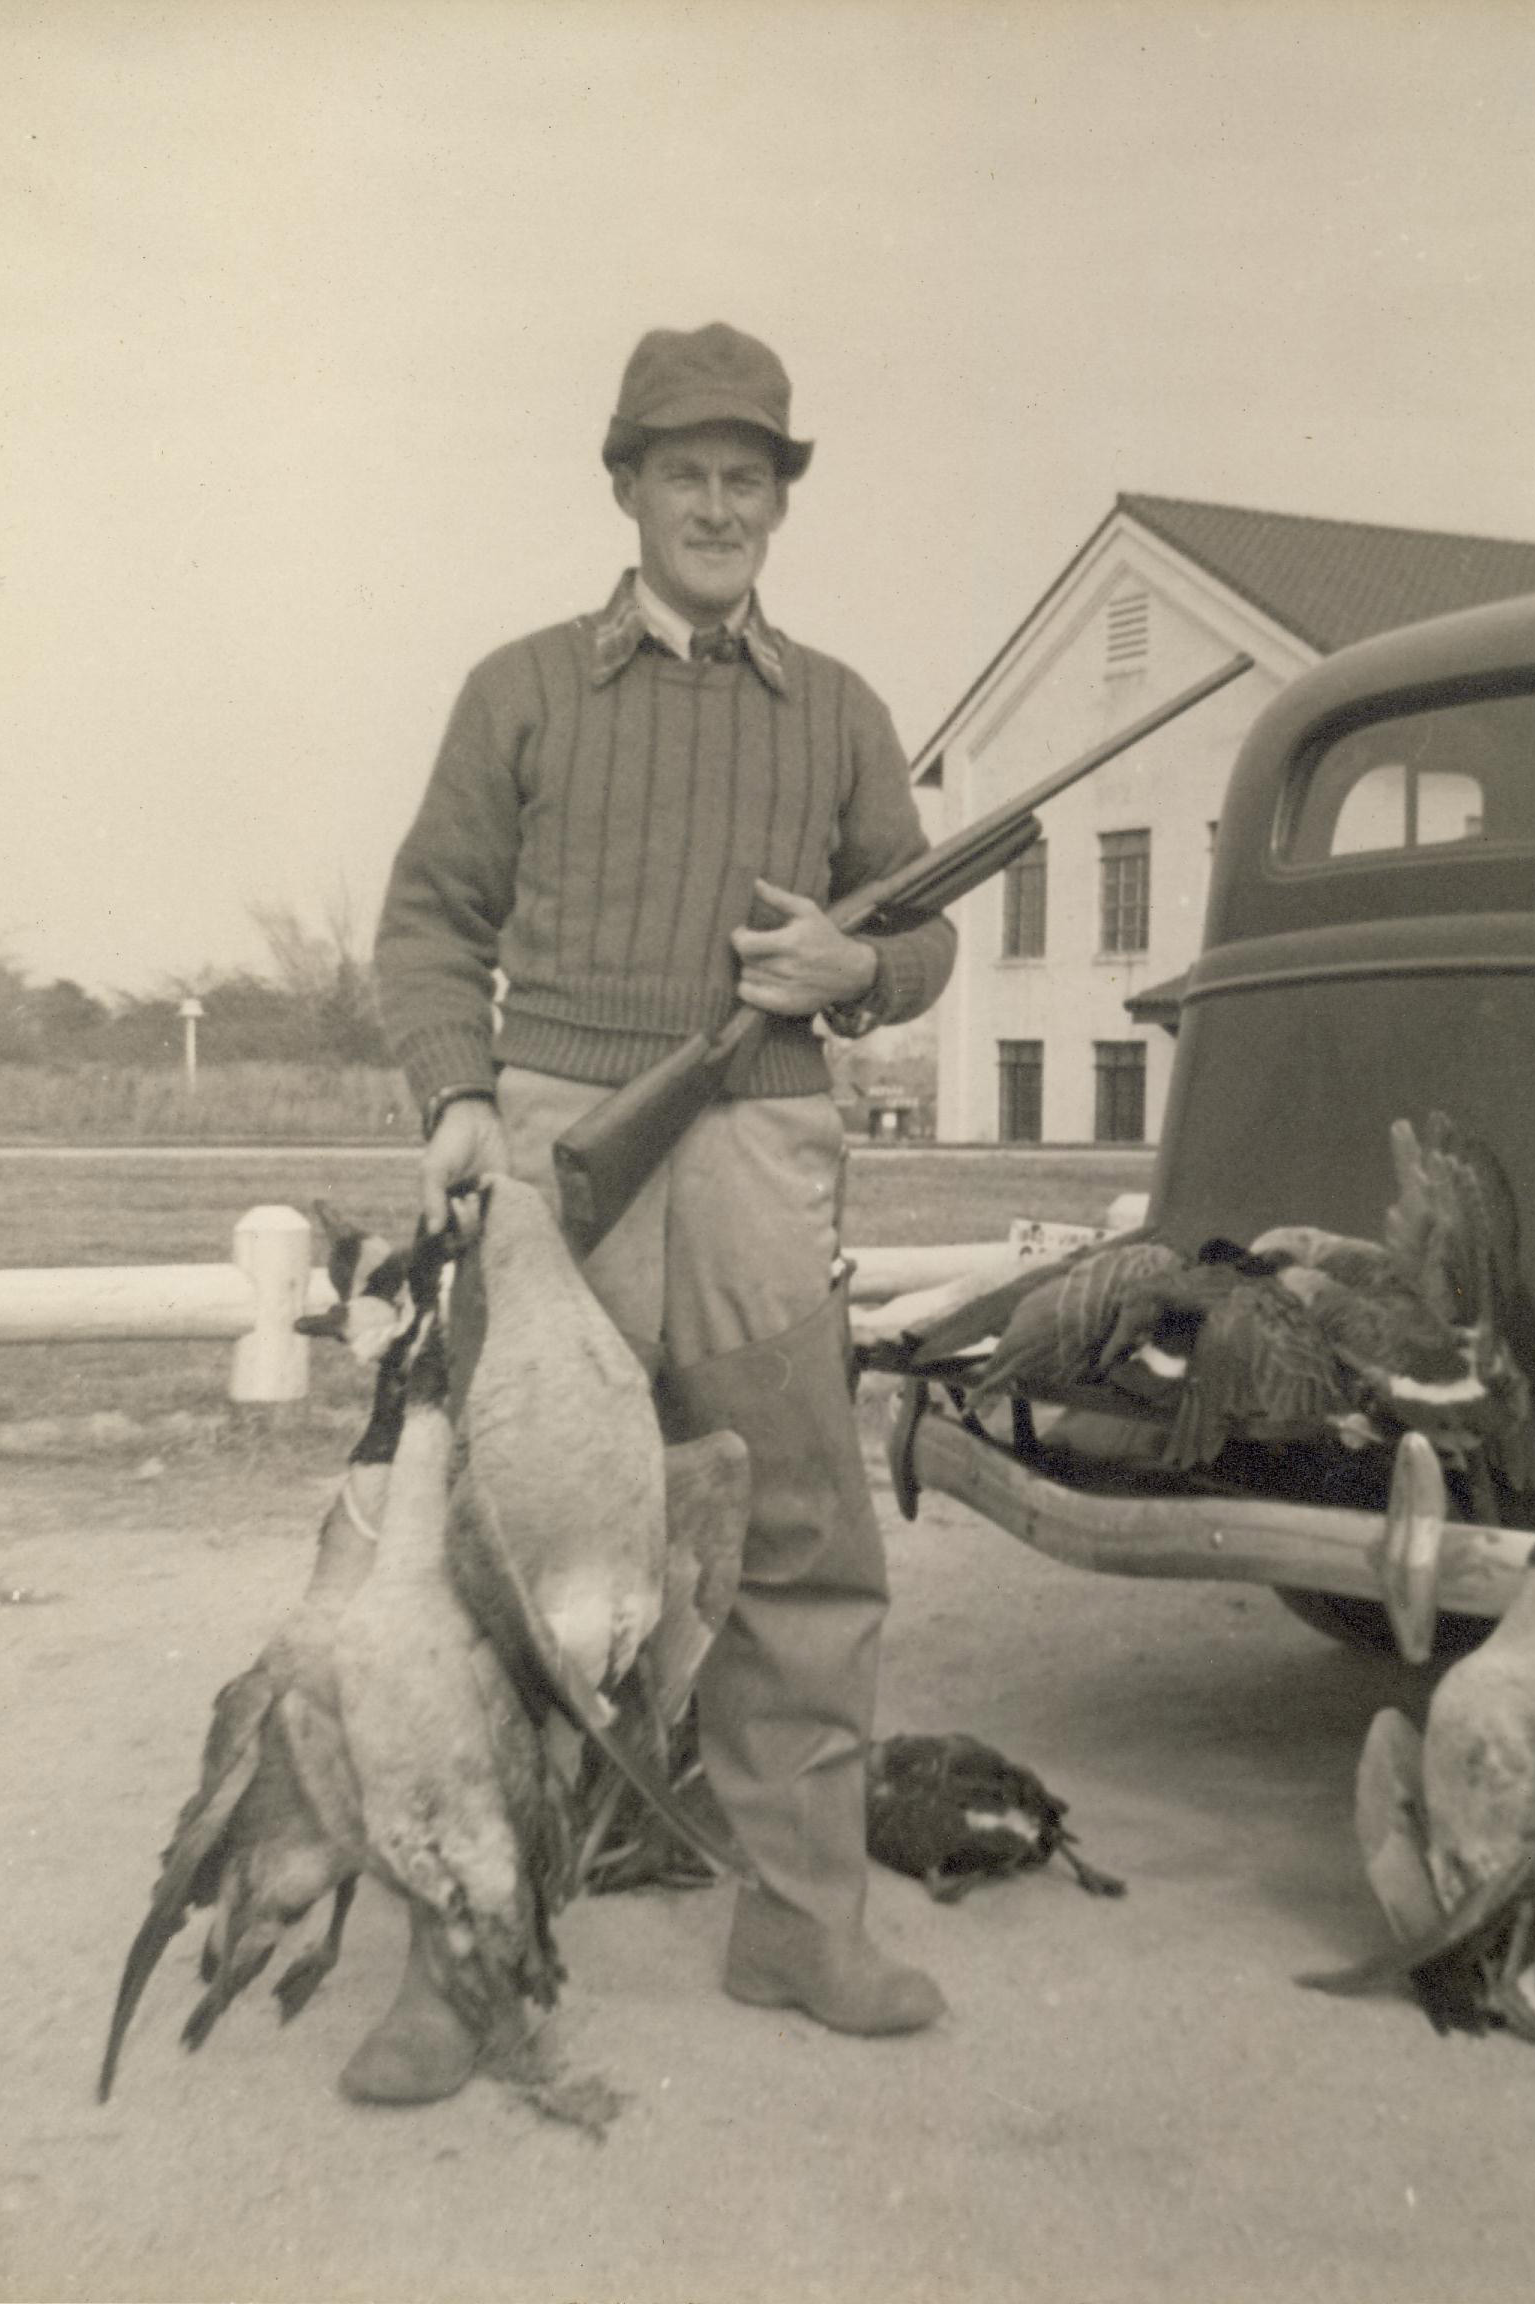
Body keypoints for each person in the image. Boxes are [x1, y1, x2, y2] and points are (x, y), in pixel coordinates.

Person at [362, 322, 955, 2095]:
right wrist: (458, 1096)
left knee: (797, 1541)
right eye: (685, 473)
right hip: (557, 1160)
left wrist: (862, 962)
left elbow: (916, 931)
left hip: (766, 1153)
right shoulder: (522, 687)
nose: (718, 505)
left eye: (749, 478)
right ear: (625, 488)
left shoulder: (842, 708)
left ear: (781, 502)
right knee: (494, 1569)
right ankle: (457, 1961)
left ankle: (799, 1925)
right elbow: (428, 923)